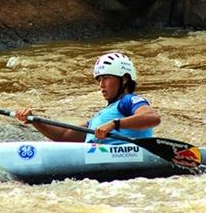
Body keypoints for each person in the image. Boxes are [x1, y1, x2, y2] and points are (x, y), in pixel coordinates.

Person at [15, 52, 161, 144]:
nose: (101, 85)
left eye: (106, 78)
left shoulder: (128, 101)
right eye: (99, 80)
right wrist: (34, 120)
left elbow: (152, 118)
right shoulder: (99, 118)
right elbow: (64, 136)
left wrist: (113, 124)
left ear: (124, 80)